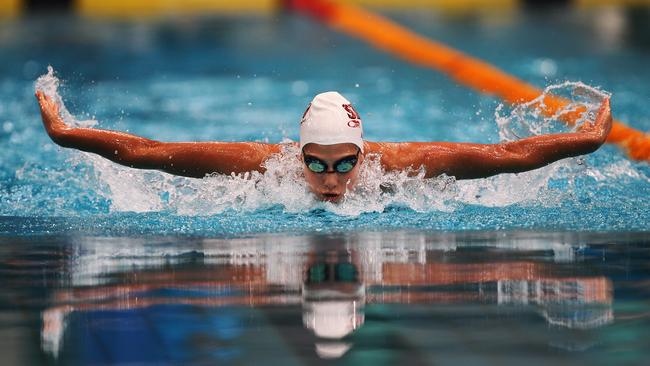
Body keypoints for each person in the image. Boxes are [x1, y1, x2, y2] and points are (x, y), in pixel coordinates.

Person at [36, 90, 612, 203]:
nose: (331, 180)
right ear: (297, 153)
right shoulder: (265, 170)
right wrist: (66, 133)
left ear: (365, 154)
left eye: (344, 165)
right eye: (315, 163)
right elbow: (148, 152)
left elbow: (505, 158)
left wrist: (585, 140)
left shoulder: (399, 171)